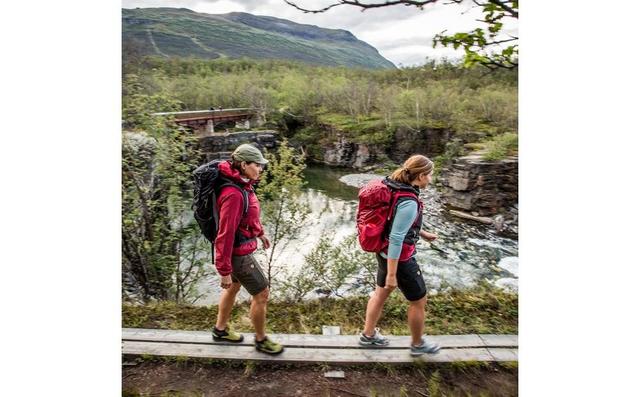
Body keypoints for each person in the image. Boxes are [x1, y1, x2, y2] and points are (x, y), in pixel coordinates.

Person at [359, 154, 441, 356]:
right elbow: (396, 237)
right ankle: (417, 344)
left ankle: (368, 336)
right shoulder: (409, 201)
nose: (431, 179)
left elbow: (394, 221)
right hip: (400, 259)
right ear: (421, 176)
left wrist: (422, 232)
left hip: (383, 252)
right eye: (430, 175)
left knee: (380, 294)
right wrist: (392, 275)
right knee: (418, 301)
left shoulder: (394, 185)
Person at [211, 143, 283, 355]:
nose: (261, 169)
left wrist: (260, 232)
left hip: (239, 251)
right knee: (262, 293)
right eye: (257, 165)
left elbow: (248, 214)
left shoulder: (243, 184)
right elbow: (225, 234)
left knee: (233, 288)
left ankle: (220, 330)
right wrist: (223, 270)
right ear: (243, 164)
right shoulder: (233, 194)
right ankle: (261, 340)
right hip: (238, 255)